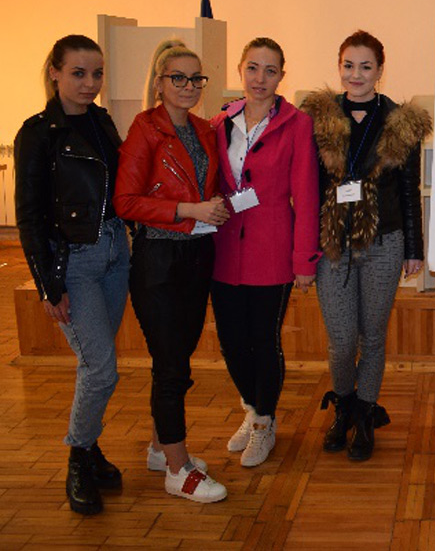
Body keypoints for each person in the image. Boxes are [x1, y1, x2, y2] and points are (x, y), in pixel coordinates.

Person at [301, 30, 432, 461]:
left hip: (385, 242)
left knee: (372, 336)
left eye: (365, 66)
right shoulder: (318, 118)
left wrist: (414, 248)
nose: (355, 74)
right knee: (341, 340)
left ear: (380, 71)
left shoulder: (400, 122)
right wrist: (303, 249)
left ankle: (365, 414)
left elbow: (409, 190)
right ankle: (344, 405)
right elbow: (306, 188)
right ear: (338, 67)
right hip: (333, 245)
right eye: (348, 65)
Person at [15, 35, 128, 515]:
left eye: (96, 73)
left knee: (97, 364)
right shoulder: (38, 133)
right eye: (78, 73)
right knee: (101, 367)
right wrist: (48, 285)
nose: (89, 83)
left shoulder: (102, 121)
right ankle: (79, 457)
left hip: (116, 253)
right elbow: (29, 216)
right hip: (74, 262)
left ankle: (90, 444)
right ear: (55, 72)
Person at [114, 39, 230, 503]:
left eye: (195, 78)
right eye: (177, 77)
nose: (188, 85)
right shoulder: (145, 128)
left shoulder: (203, 129)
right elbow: (126, 202)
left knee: (178, 358)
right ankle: (179, 471)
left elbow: (205, 184)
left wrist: (213, 206)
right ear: (160, 83)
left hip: (197, 255)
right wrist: (188, 209)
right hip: (158, 261)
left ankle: (161, 448)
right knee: (171, 365)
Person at [211, 38, 320, 467]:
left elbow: (306, 196)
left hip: (272, 248)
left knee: (263, 339)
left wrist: (304, 260)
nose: (260, 78)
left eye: (270, 70)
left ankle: (264, 423)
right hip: (224, 248)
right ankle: (253, 408)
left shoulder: (297, 124)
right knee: (231, 341)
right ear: (240, 69)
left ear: (281, 76)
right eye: (253, 68)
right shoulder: (220, 122)